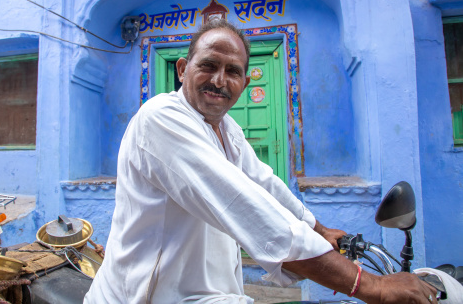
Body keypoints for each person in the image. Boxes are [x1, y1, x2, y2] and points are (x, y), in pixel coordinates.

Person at [84, 19, 438, 304]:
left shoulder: (226, 128)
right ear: (182, 69)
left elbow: (265, 185)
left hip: (210, 293)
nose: (219, 80)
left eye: (233, 71)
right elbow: (248, 206)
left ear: (244, 80)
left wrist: (322, 230)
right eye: (208, 65)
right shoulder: (161, 117)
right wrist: (371, 287)